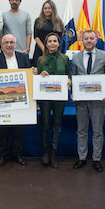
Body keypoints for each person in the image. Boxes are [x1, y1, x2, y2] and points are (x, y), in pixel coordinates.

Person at [71, 30, 105, 172]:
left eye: (91, 38)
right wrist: (73, 93)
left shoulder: (104, 55)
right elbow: (73, 76)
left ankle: (96, 159)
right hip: (81, 101)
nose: (88, 41)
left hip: (98, 101)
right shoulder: (75, 57)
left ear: (96, 40)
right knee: (81, 131)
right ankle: (82, 158)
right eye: (86, 38)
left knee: (97, 131)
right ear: (81, 40)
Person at [0, 34, 31, 167]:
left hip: (19, 100)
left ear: (15, 44)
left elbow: (29, 76)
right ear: (1, 45)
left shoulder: (23, 57)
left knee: (18, 130)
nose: (9, 45)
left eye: (11, 42)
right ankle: (1, 156)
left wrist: (33, 72)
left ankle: (17, 154)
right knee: (2, 130)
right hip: (2, 100)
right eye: (6, 42)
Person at [37, 33, 71, 169]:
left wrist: (69, 80)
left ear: (58, 43)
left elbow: (68, 74)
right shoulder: (40, 59)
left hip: (59, 98)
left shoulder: (65, 58)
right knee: (45, 124)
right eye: (49, 41)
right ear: (46, 44)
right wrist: (40, 74)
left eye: (55, 41)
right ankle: (45, 151)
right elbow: (37, 77)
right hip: (45, 97)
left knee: (57, 124)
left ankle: (53, 153)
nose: (52, 43)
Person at [32, 0, 64, 66]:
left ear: (53, 9)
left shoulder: (58, 22)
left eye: (49, 8)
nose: (47, 10)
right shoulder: (38, 21)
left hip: (54, 51)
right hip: (40, 51)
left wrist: (52, 50)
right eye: (45, 8)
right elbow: (36, 37)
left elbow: (60, 38)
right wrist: (45, 50)